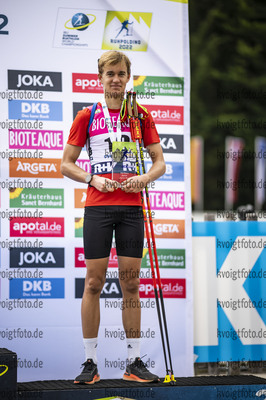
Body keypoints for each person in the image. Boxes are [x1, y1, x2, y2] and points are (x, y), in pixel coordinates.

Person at [61, 50, 166, 384]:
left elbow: (159, 161)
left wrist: (145, 178)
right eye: (110, 74)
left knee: (131, 284)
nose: (116, 79)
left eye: (121, 73)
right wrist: (93, 179)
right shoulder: (87, 116)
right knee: (93, 283)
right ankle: (90, 362)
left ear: (127, 77)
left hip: (132, 209)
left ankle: (133, 361)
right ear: (100, 78)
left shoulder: (140, 115)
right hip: (98, 208)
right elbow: (66, 164)